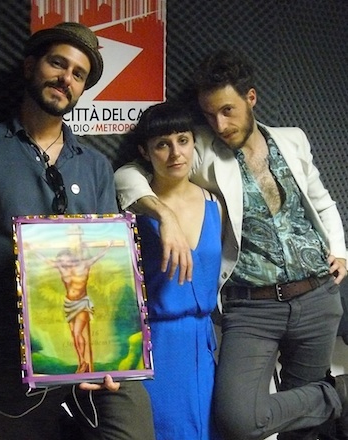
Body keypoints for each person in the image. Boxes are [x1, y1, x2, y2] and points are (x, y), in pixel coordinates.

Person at [115, 49, 348, 440]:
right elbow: (128, 174)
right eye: (209, 115)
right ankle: (337, 393)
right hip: (253, 306)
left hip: (317, 296)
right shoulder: (201, 150)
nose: (220, 124)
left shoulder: (293, 139)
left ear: (250, 98)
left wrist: (340, 250)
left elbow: (321, 200)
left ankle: (328, 400)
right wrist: (164, 215)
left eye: (227, 111)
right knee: (238, 418)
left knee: (303, 426)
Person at [0, 21, 155, 440]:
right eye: (58, 64)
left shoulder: (95, 165)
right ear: (30, 66)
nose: (66, 79)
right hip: (13, 353)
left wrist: (110, 351)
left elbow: (107, 263)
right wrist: (17, 309)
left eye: (78, 74)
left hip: (93, 353)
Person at [121, 101, 223, 439]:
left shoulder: (215, 204)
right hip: (155, 345)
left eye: (182, 140)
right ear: (145, 152)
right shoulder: (134, 209)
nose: (175, 153)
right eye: (162, 144)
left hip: (203, 345)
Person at [27, 240, 114, 374]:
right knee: (74, 335)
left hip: (82, 303)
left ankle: (84, 362)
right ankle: (81, 361)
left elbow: (98, 256)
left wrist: (109, 246)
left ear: (71, 258)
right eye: (61, 260)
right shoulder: (62, 268)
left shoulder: (84, 265)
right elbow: (46, 261)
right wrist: (33, 249)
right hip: (69, 304)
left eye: (65, 260)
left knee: (78, 333)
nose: (63, 263)